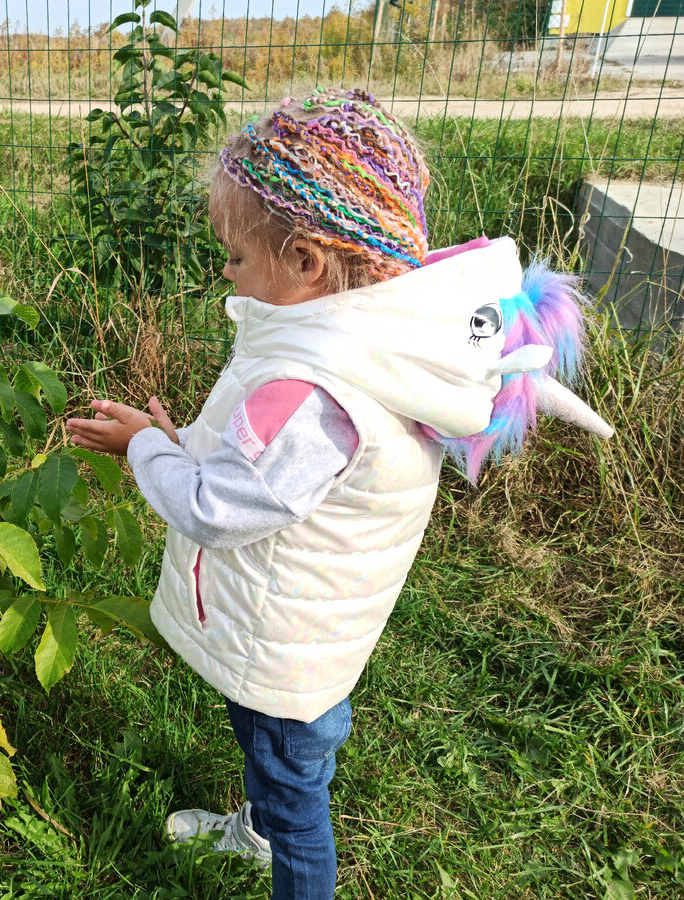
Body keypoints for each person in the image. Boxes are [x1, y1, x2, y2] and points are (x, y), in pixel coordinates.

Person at [65, 88, 611, 900]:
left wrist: (142, 447)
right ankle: (259, 826)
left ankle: (283, 857)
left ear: (307, 262)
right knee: (300, 754)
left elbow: (216, 509)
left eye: (237, 256)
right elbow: (271, 480)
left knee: (294, 799)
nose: (226, 270)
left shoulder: (318, 391)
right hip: (323, 628)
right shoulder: (385, 346)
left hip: (282, 646)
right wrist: (189, 445)